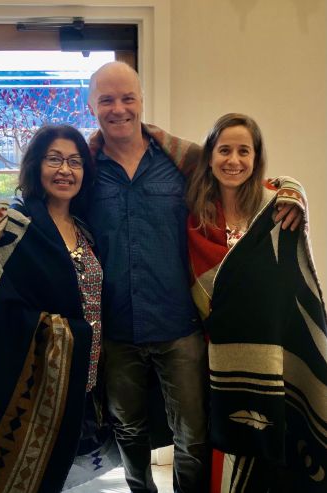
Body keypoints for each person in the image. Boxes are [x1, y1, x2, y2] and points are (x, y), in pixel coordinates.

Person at [86, 61, 304, 493]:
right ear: (91, 105)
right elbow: (43, 191)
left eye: (127, 97)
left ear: (142, 101)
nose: (118, 108)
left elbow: (244, 173)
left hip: (179, 327)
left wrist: (294, 192)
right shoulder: (85, 170)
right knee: (128, 431)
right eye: (107, 99)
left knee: (193, 436)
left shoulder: (182, 162)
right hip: (117, 328)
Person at [186, 113, 327, 492]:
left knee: (271, 436)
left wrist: (295, 190)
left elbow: (292, 276)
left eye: (243, 151)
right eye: (224, 150)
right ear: (210, 156)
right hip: (215, 347)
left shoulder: (276, 208)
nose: (233, 160)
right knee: (223, 437)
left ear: (257, 156)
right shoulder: (196, 214)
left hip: (270, 345)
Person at [0, 124, 103, 493]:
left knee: (66, 476)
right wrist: (69, 333)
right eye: (54, 159)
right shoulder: (12, 226)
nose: (65, 170)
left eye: (75, 162)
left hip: (82, 378)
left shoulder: (85, 228)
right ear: (35, 165)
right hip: (29, 384)